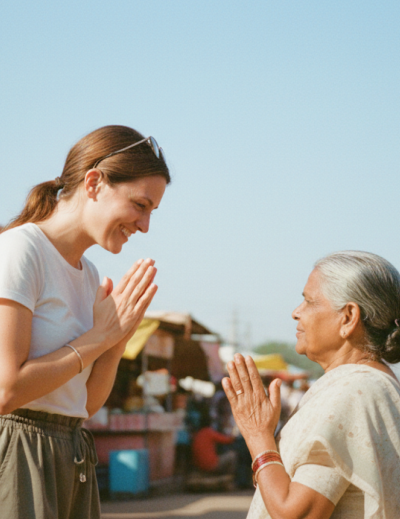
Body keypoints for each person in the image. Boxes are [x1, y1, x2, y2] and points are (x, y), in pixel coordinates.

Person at [0, 125, 170, 518]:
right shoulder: (20, 251)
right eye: (140, 205)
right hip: (17, 449)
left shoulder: (90, 275)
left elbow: (83, 405)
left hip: (70, 449)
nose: (144, 226)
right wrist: (99, 337)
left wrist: (115, 344)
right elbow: (7, 390)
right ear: (94, 183)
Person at [223, 251, 400, 519]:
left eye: (308, 301)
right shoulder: (369, 384)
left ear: (349, 317)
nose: (296, 312)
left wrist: (258, 435)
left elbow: (297, 514)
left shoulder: (353, 391)